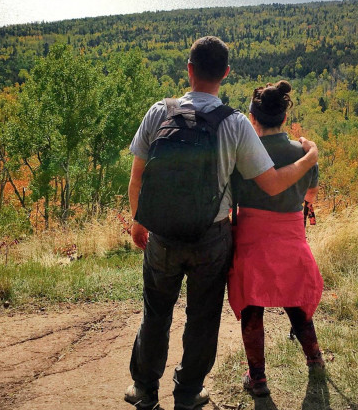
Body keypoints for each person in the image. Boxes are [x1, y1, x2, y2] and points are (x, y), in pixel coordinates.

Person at [126, 36, 319, 410]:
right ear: (226, 74)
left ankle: (144, 389)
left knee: (156, 313)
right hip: (212, 237)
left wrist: (139, 221)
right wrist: (310, 158)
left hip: (162, 235)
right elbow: (274, 183)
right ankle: (188, 392)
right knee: (202, 316)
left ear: (189, 69)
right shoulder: (235, 124)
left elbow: (137, 177)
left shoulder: (158, 112)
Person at [227, 80, 325, 398]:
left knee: (252, 308)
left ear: (252, 119)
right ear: (284, 119)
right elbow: (309, 196)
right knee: (296, 302)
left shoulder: (243, 155)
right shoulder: (303, 152)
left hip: (252, 239)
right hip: (292, 236)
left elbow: (230, 200)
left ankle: (257, 379)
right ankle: (314, 358)